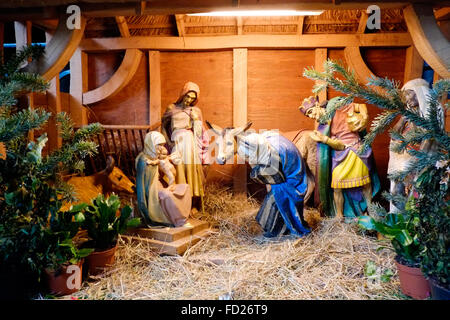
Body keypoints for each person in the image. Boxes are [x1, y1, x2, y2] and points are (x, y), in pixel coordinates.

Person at [299, 96, 380, 220]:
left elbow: (359, 106)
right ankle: (339, 215)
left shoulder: (336, 107)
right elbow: (339, 146)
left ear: (317, 106)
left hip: (356, 150)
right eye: (308, 115)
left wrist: (364, 117)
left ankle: (370, 209)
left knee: (365, 184)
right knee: (337, 186)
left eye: (310, 112)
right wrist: (324, 139)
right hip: (341, 155)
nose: (311, 116)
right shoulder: (323, 125)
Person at [238, 131, 311, 238]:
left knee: (277, 201)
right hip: (287, 174)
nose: (248, 160)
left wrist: (254, 170)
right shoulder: (265, 142)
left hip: (291, 181)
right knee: (272, 199)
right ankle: (274, 227)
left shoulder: (273, 156)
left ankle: (278, 230)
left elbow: (274, 177)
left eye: (248, 157)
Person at [388, 78, 445, 212]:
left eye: (409, 93)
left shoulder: (433, 110)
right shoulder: (409, 111)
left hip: (418, 158)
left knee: (413, 190)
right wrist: (402, 120)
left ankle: (409, 215)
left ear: (419, 92)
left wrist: (417, 161)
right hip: (402, 156)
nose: (407, 98)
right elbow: (394, 134)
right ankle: (397, 215)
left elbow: (429, 138)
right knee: (397, 185)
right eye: (405, 95)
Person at [161, 82, 209, 212]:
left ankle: (193, 203)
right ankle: (180, 202)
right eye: (187, 97)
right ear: (183, 94)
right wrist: (168, 143)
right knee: (178, 171)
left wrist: (195, 120)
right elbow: (164, 126)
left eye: (193, 98)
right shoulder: (171, 108)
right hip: (177, 142)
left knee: (191, 171)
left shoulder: (196, 111)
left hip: (190, 143)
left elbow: (199, 133)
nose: (189, 100)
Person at [135, 131, 191, 227]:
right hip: (151, 190)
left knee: (185, 187)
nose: (161, 148)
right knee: (167, 196)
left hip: (160, 185)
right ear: (150, 144)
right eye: (158, 145)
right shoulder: (143, 160)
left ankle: (182, 218)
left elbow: (169, 172)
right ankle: (179, 221)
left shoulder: (156, 157)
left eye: (162, 145)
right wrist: (143, 205)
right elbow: (142, 185)